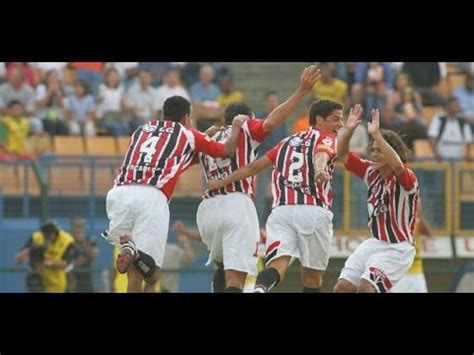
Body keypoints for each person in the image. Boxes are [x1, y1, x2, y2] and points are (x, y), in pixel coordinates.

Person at [198, 65, 322, 292]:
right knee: (236, 278)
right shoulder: (245, 125)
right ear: (247, 117)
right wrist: (301, 91)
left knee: (221, 268)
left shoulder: (211, 135)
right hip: (235, 203)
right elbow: (272, 122)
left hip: (207, 209)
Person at [103, 95, 245, 292]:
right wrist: (237, 125)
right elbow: (228, 150)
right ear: (187, 117)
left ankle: (132, 252)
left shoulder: (141, 130)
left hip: (119, 193)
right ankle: (135, 254)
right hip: (151, 197)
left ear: (164, 114)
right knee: (152, 275)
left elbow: (175, 158)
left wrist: (203, 138)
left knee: (133, 274)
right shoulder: (189, 134)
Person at [208, 99, 345, 293]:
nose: (340, 124)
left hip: (281, 212)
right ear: (319, 121)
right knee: (312, 278)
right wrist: (320, 170)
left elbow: (253, 168)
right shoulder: (327, 137)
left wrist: (222, 182)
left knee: (276, 265)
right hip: (314, 210)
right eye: (336, 119)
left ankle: (260, 289)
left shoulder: (285, 142)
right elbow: (322, 154)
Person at [333, 107, 419, 293]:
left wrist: (376, 134)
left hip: (397, 248)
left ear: (391, 152)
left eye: (380, 150)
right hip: (374, 242)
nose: (374, 154)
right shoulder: (370, 172)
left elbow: (396, 164)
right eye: (372, 149)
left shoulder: (406, 178)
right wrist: (348, 130)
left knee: (366, 287)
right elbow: (342, 154)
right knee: (343, 287)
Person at [15, 221, 75, 293]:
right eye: (45, 234)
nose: (47, 237)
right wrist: (23, 254)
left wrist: (51, 264)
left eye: (49, 234)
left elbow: (66, 263)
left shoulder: (67, 240)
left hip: (59, 278)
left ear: (55, 233)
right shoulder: (37, 237)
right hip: (39, 277)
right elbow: (20, 256)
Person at [391, 201, 432, 293]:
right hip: (401, 273)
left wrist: (419, 216)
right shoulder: (397, 222)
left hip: (417, 272)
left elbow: (429, 233)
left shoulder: (418, 222)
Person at [68, 217, 99, 293]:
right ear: (72, 227)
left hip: (86, 281)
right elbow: (66, 262)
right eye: (77, 227)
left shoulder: (90, 240)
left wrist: (83, 242)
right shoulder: (67, 241)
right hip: (71, 281)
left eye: (82, 226)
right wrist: (79, 261)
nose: (80, 229)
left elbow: (93, 256)